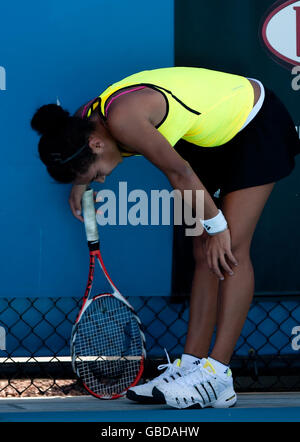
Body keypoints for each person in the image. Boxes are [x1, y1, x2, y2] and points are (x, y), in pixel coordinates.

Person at [31, 66, 300, 409]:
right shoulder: (81, 123)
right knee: (204, 252)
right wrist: (79, 182)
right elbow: (85, 154)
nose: (100, 181)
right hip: (210, 136)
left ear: (96, 143)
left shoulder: (123, 120)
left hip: (253, 121)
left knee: (229, 246)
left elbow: (179, 172)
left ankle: (218, 376)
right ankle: (191, 366)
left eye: (96, 173)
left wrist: (217, 227)